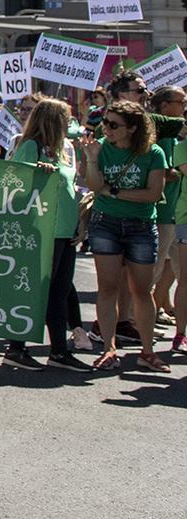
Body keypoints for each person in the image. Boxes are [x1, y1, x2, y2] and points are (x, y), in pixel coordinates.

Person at [79, 98, 170, 373]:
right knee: (107, 288)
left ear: (132, 128)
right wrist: (93, 160)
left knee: (141, 290)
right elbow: (94, 186)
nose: (105, 128)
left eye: (113, 124)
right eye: (105, 122)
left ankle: (147, 351)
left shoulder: (153, 153)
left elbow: (152, 195)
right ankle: (108, 348)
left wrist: (115, 192)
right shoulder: (102, 149)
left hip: (140, 226)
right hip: (106, 223)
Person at [5, 96, 85, 371]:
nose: (70, 123)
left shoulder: (64, 149)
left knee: (60, 292)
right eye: (66, 118)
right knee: (35, 291)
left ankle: (59, 351)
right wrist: (35, 173)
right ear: (52, 120)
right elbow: (13, 183)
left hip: (65, 231)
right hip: (41, 231)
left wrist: (79, 224)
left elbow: (72, 189)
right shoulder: (31, 146)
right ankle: (16, 347)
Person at [150, 85, 187, 351]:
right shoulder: (165, 137)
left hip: (175, 213)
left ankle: (160, 309)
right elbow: (166, 171)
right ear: (164, 106)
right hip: (166, 212)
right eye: (180, 101)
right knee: (154, 271)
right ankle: (142, 321)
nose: (184, 105)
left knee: (172, 272)